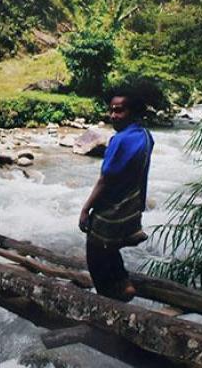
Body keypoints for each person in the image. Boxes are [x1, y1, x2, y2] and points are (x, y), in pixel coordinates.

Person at [79, 86, 154, 302]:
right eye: (111, 110)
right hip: (132, 209)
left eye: (119, 110)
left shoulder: (119, 140)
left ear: (132, 111)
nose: (113, 115)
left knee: (95, 250)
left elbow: (105, 180)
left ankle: (109, 299)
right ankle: (124, 282)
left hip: (113, 209)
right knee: (108, 247)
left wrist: (86, 209)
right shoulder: (146, 136)